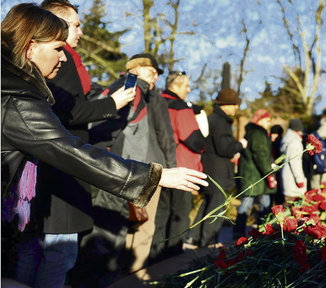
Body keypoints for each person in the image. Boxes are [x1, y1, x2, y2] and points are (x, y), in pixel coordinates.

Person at [1, 4, 207, 288]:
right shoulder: (18, 98)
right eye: (58, 48)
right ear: (31, 47)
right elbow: (69, 150)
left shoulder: (15, 87)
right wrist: (154, 175)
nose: (64, 58)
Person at [78, 53, 177, 283]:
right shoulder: (130, 87)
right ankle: (107, 277)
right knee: (116, 227)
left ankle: (114, 275)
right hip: (127, 168)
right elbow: (109, 126)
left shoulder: (145, 93)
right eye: (152, 71)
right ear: (138, 69)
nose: (156, 77)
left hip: (128, 167)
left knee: (123, 225)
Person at [150, 71, 206, 261]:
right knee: (179, 216)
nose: (189, 90)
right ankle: (173, 259)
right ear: (175, 85)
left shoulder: (156, 102)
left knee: (160, 215)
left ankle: (154, 258)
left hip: (159, 167)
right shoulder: (180, 107)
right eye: (186, 86)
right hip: (181, 169)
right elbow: (194, 140)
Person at [186, 89, 247, 248]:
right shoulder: (220, 122)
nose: (236, 108)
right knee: (217, 207)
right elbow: (224, 148)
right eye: (234, 104)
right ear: (225, 105)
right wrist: (240, 145)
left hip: (211, 170)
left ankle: (193, 237)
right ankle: (208, 242)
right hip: (217, 171)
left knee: (207, 204)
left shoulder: (214, 119)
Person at [233, 109, 277, 238]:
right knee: (261, 204)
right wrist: (269, 173)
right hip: (257, 176)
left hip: (251, 174)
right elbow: (261, 155)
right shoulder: (258, 134)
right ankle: (264, 231)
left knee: (249, 203)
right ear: (260, 120)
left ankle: (240, 231)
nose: (268, 123)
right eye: (267, 120)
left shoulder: (250, 132)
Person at [280, 119, 307, 205]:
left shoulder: (286, 139)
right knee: (291, 208)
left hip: (287, 177)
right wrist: (299, 179)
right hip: (293, 180)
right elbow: (295, 162)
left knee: (287, 203)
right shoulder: (295, 142)